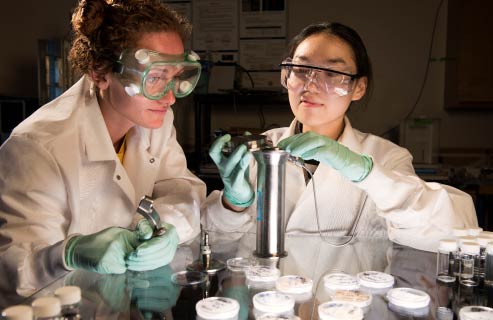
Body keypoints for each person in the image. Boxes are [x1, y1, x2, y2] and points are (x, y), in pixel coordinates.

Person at [201, 22, 478, 253]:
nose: (310, 86)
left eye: (332, 74)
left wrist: (366, 173)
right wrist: (232, 205)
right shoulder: (258, 151)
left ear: (359, 88)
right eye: (301, 69)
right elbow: (213, 245)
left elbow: (449, 231)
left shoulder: (386, 157)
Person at [0, 0, 206, 296]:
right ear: (100, 72)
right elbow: (14, 270)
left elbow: (180, 187)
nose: (170, 98)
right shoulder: (36, 148)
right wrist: (68, 253)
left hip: (130, 299)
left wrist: (167, 226)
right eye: (156, 78)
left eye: (176, 78)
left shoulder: (155, 120)